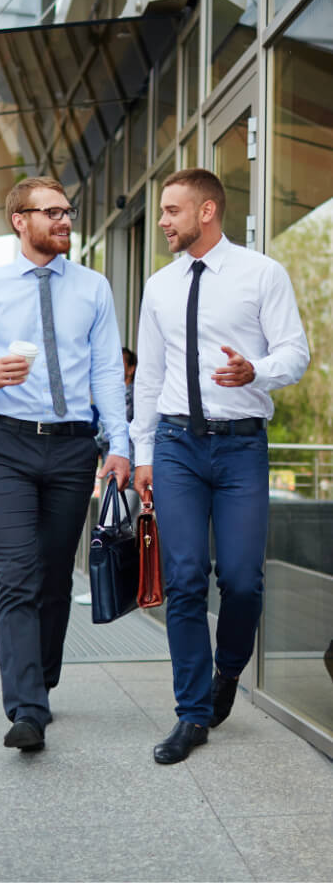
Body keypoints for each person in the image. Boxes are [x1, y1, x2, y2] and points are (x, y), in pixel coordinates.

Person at [130, 168, 309, 764]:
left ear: (207, 212)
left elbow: (295, 352)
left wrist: (255, 370)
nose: (162, 221)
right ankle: (191, 713)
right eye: (162, 211)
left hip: (240, 447)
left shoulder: (262, 275)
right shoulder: (158, 286)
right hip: (178, 445)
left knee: (240, 577)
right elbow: (149, 377)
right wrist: (144, 452)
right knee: (182, 578)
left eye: (172, 210)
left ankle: (227, 671)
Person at [0, 176, 129, 751]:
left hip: (75, 446)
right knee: (17, 575)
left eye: (68, 210)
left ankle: (42, 676)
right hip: (7, 445)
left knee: (55, 576)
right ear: (19, 221)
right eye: (51, 212)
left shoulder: (94, 288)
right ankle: (27, 707)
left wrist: (120, 444)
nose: (64, 220)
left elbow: (107, 371)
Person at [76, 345, 138, 606]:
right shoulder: (113, 394)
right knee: (119, 530)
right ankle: (117, 589)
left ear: (131, 368)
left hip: (132, 471)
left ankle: (106, 590)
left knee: (112, 531)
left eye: (119, 363)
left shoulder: (132, 394)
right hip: (116, 470)